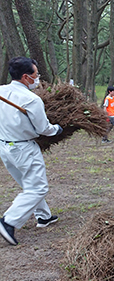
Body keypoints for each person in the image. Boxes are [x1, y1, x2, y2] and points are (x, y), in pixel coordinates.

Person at [0, 57, 64, 245]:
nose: (38, 78)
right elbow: (43, 128)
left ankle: (43, 216)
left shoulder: (1, 92)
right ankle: (8, 222)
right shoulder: (31, 99)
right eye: (36, 74)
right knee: (38, 187)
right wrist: (57, 129)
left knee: (28, 184)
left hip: (5, 147)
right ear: (26, 77)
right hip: (24, 148)